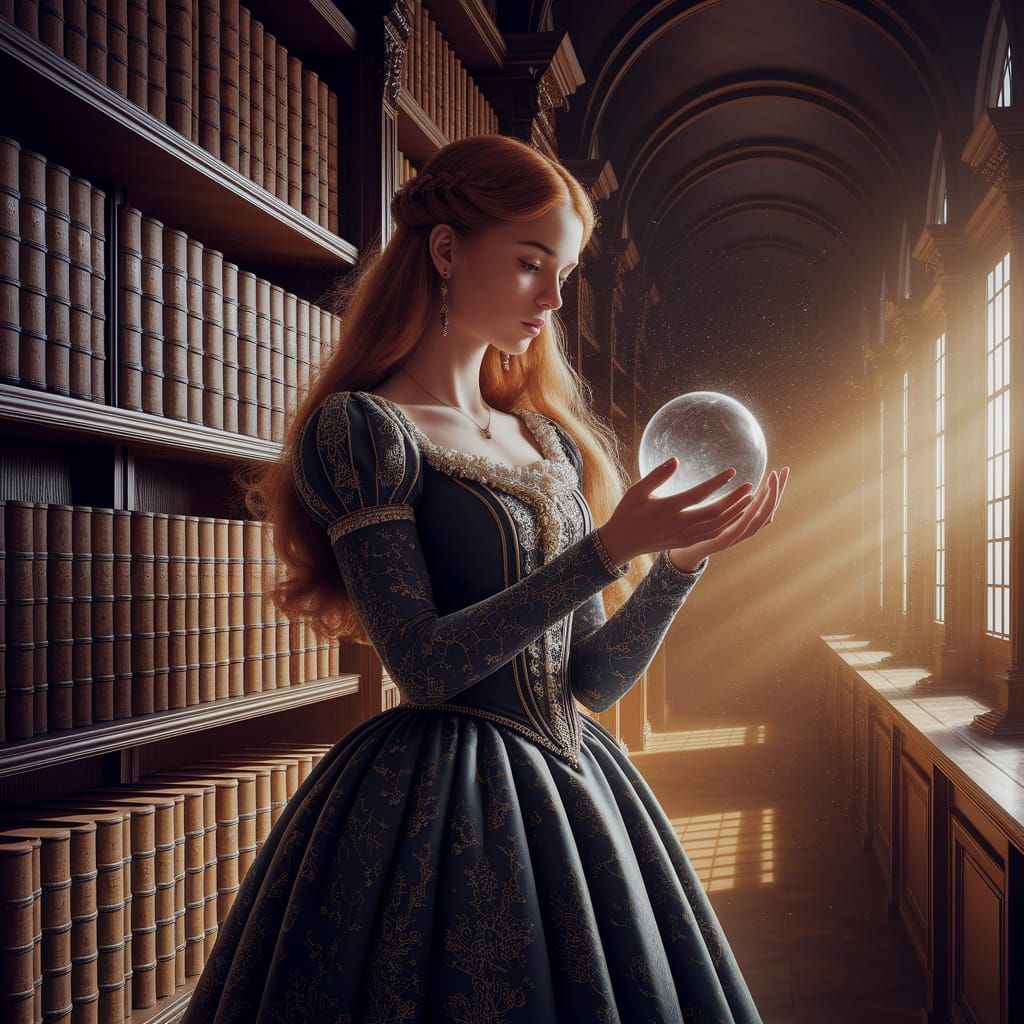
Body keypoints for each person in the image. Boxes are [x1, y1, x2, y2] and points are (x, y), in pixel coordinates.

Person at [182, 134, 788, 1023]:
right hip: (433, 806)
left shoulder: (543, 440)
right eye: (531, 262)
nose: (552, 297)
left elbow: (590, 680)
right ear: (445, 250)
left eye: (567, 271)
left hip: (578, 783)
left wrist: (679, 568)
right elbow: (422, 667)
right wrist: (608, 550)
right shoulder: (364, 433)